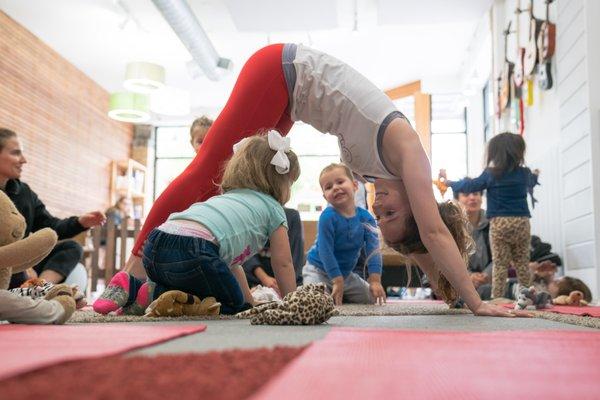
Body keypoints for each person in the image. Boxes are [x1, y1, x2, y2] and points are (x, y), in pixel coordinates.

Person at [120, 43, 526, 317]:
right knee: (208, 168)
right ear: (420, 207)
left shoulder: (391, 182)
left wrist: (450, 295)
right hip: (281, 71)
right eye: (389, 210)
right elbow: (435, 232)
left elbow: (421, 243)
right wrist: (477, 303)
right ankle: (132, 270)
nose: (378, 202)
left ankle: (155, 277)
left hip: (290, 98)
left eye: (380, 214)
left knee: (229, 187)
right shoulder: (411, 157)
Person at [93, 132, 299, 315]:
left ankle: (132, 286)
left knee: (221, 291)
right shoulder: (274, 208)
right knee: (230, 304)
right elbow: (283, 262)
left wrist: (249, 301)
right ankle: (150, 293)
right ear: (280, 181)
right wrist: (292, 302)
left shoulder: (227, 197)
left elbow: (232, 264)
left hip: (156, 244)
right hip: (195, 250)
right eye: (290, 182)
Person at [440, 132, 540, 299]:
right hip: (522, 221)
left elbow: (471, 185)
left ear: (495, 153)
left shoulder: (491, 174)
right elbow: (532, 182)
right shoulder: (524, 173)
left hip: (499, 223)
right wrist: (535, 174)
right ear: (518, 152)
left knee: (500, 263)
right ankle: (527, 296)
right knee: (522, 261)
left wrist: (449, 182)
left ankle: (498, 297)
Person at [0, 128, 106, 286]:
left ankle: (38, 289)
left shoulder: (25, 192)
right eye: (16, 153)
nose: (24, 160)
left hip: (21, 267)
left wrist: (80, 222)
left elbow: (50, 227)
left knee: (72, 247)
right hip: (7, 264)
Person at [303, 163, 385, 305]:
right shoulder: (327, 217)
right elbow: (325, 251)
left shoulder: (366, 218)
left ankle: (339, 294)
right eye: (329, 187)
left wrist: (375, 280)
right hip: (318, 271)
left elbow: (373, 250)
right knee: (313, 302)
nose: (335, 187)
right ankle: (331, 293)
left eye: (340, 182)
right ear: (325, 196)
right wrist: (336, 279)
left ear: (355, 186)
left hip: (346, 275)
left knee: (371, 298)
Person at [242, 207, 304, 293]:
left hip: (288, 278)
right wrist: (264, 278)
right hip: (256, 279)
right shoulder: (249, 215)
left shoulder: (292, 215)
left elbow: (294, 258)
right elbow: (245, 254)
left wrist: (287, 286)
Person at [453, 184, 492, 296]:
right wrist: (469, 276)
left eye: (476, 193)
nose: (472, 198)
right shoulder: (451, 225)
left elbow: (500, 256)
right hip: (460, 280)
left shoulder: (492, 222)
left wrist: (485, 275)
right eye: (466, 194)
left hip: (487, 280)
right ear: (457, 199)